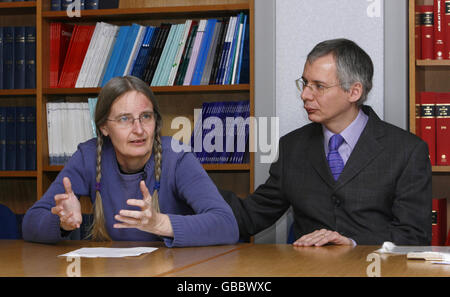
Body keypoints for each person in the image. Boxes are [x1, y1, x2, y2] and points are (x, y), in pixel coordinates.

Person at [221, 38, 432, 246]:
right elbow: (250, 216)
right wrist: (193, 185)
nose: (305, 95)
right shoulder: (292, 147)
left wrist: (352, 243)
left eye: (318, 86)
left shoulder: (407, 151)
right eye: (305, 83)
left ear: (354, 91)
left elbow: (413, 235)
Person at [22, 76, 239, 247]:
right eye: (125, 119)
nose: (139, 129)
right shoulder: (88, 155)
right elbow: (31, 222)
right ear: (104, 127)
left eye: (146, 116)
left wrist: (160, 223)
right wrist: (62, 222)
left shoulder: (177, 156)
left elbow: (227, 225)